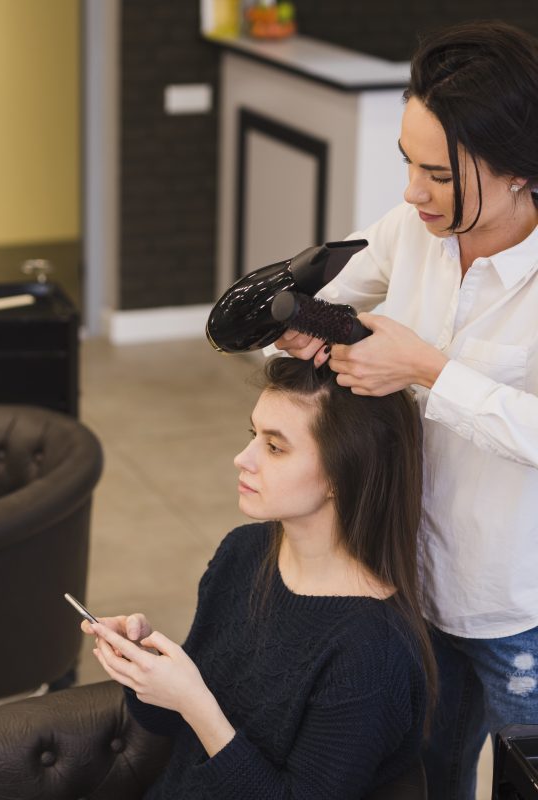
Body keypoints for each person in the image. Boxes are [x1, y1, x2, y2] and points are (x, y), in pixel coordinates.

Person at [274, 20, 538, 800]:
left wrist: (427, 367)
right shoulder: (410, 232)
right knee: (424, 779)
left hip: (520, 611)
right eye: (407, 164)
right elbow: (314, 308)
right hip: (413, 582)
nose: (412, 193)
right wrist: (299, 327)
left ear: (522, 169)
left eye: (440, 175)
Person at [83, 356, 435, 799]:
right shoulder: (243, 553)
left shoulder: (371, 655)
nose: (242, 459)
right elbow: (171, 723)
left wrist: (197, 703)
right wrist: (145, 668)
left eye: (274, 447)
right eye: (254, 435)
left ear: (341, 476)